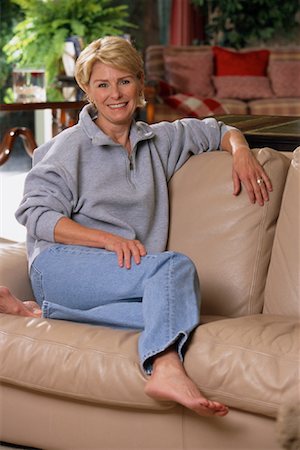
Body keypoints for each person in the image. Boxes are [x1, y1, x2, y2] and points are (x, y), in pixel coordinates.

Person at [0, 36, 272, 417]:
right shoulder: (67, 147)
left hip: (125, 277)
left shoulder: (160, 141)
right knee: (175, 267)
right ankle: (165, 367)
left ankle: (42, 313)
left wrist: (241, 151)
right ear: (88, 91)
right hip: (63, 266)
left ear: (140, 84)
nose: (115, 94)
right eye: (102, 84)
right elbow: (35, 213)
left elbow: (216, 129)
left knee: (180, 307)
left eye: (124, 81)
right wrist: (106, 240)